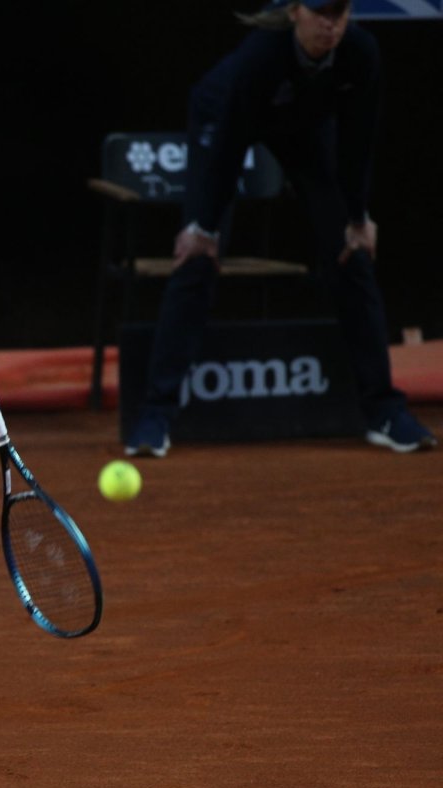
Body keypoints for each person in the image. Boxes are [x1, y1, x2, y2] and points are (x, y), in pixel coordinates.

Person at [125, 0, 437, 457]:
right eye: (320, 12)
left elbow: (357, 141)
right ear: (294, 11)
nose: (330, 24)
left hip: (304, 129)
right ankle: (155, 415)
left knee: (352, 254)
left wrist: (358, 219)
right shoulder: (260, 56)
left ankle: (384, 411)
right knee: (197, 256)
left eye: (340, 12)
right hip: (223, 114)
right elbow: (229, 143)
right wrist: (203, 226)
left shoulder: (361, 53)